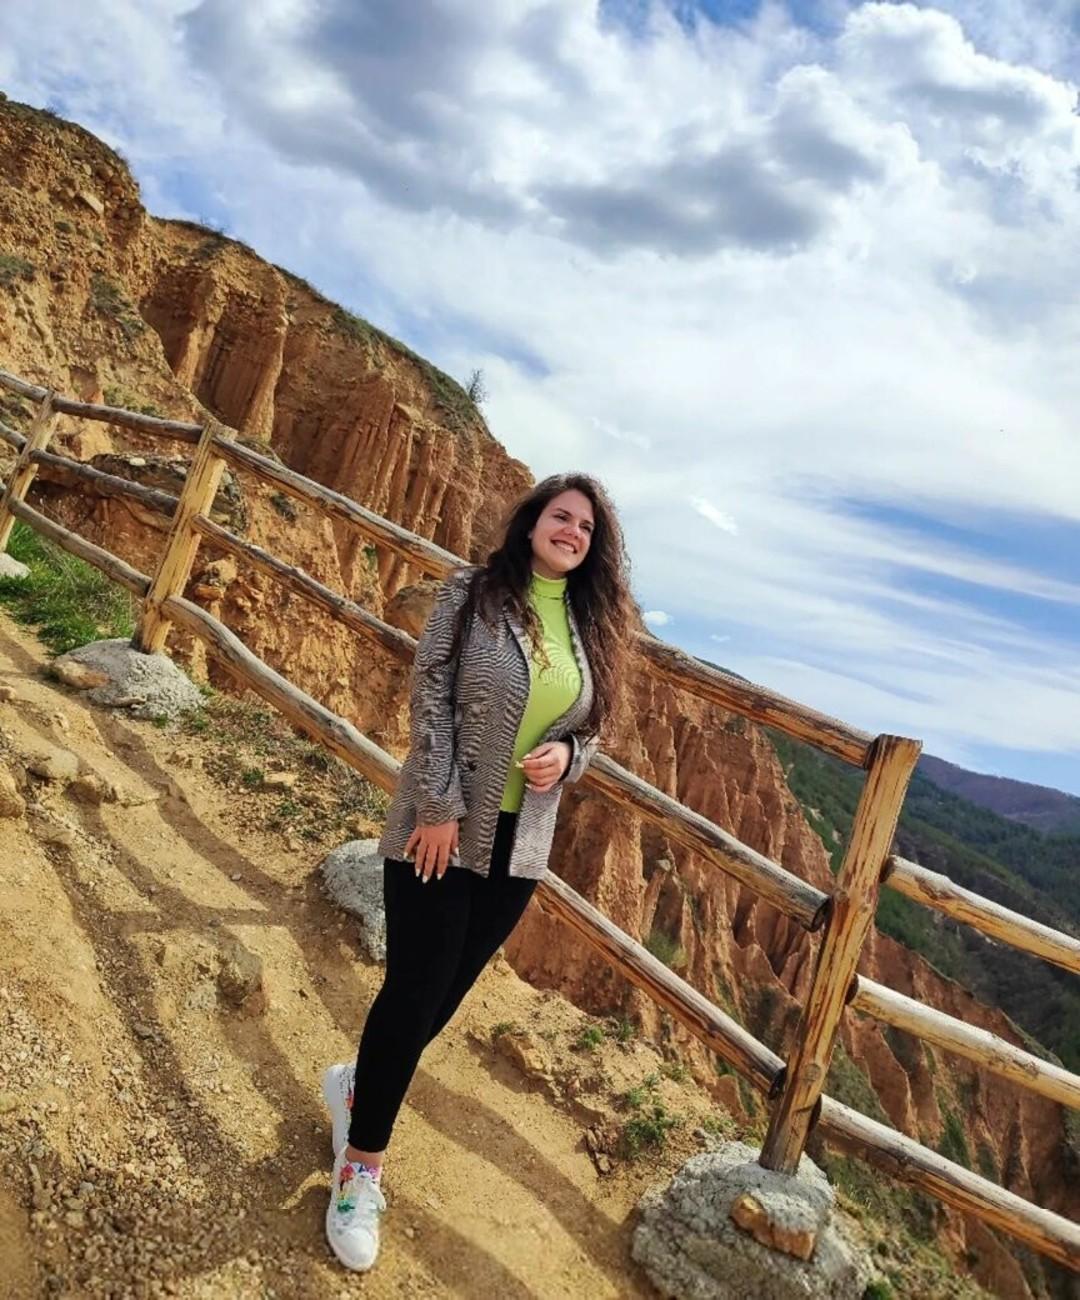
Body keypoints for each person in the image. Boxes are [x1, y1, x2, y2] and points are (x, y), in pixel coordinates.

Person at [319, 473, 633, 1272]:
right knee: (414, 990)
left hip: (518, 849)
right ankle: (360, 1169)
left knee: (444, 997)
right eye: (561, 516)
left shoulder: (590, 626)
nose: (572, 532)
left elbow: (592, 729)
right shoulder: (472, 594)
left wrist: (569, 755)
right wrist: (436, 804)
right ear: (531, 523)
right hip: (445, 825)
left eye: (586, 528)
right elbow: (429, 694)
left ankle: (358, 1087)